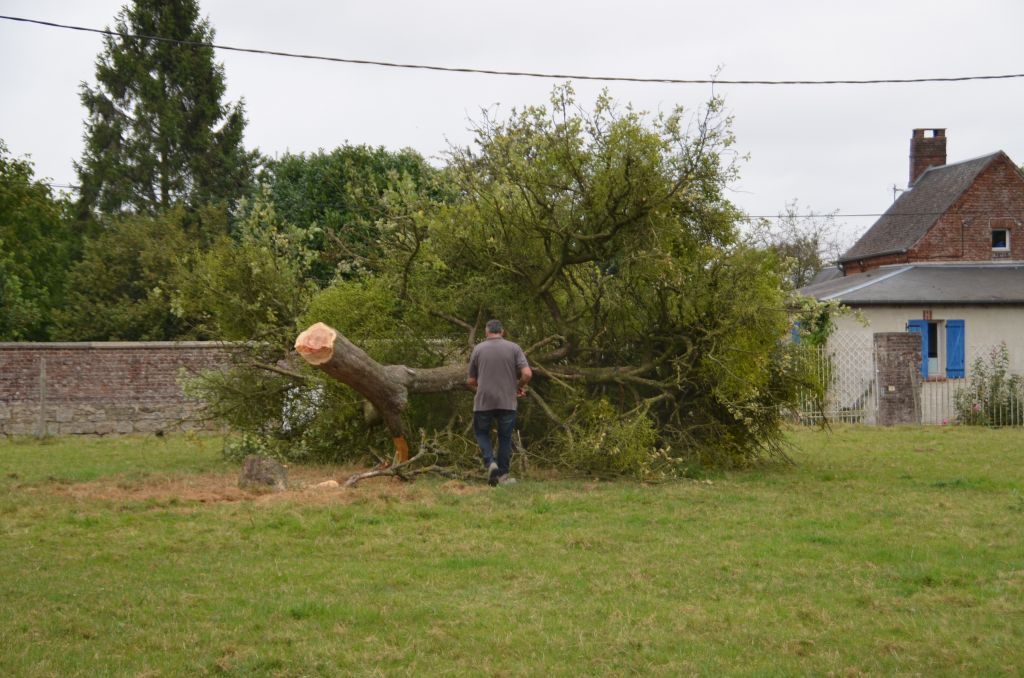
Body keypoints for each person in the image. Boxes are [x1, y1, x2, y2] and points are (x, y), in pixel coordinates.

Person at [467, 319, 532, 486]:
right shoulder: (514, 348)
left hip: (484, 401)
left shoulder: (478, 349)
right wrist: (518, 387)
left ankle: (491, 463)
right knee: (504, 438)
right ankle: (502, 476)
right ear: (502, 332)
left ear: (486, 332)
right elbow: (527, 374)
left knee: (481, 433)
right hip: (507, 401)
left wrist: (483, 383)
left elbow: (471, 380)